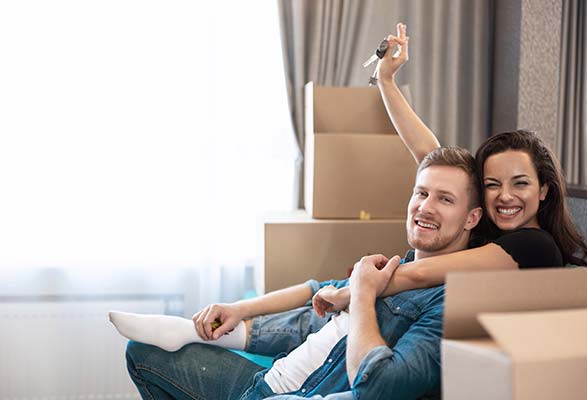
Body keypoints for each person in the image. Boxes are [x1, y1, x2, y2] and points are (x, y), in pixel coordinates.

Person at [114, 147, 483, 399]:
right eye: (421, 193)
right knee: (142, 351)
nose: (425, 207)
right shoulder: (394, 267)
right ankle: (205, 332)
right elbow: (316, 293)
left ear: (472, 218)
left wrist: (364, 295)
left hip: (294, 394)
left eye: (445, 199)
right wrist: (240, 310)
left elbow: (381, 387)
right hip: (268, 379)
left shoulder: (450, 305)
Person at [309, 23, 587, 314]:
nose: (505, 196)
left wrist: (353, 292)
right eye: (493, 184)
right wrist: (386, 80)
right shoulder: (489, 229)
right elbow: (428, 154)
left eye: (520, 184)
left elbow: (420, 273)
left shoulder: (536, 244)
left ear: (544, 189)